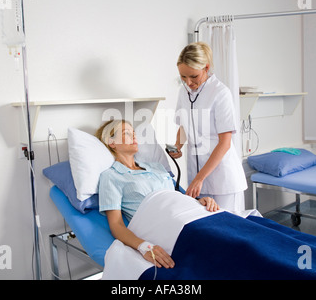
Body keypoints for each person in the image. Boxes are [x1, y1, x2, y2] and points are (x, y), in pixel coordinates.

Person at [95, 119, 220, 269]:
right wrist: (144, 247)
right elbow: (116, 224)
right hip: (171, 227)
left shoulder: (156, 167)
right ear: (112, 143)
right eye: (126, 133)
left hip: (192, 214)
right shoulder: (111, 176)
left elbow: (175, 197)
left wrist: (199, 201)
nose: (134, 136)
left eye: (133, 133)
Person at [170, 42, 247, 211]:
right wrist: (177, 146)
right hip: (197, 178)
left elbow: (225, 143)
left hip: (222, 180)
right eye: (183, 77)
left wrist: (200, 178)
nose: (188, 82)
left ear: (206, 67)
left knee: (229, 230)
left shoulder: (220, 93)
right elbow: (184, 125)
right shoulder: (183, 92)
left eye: (193, 76)